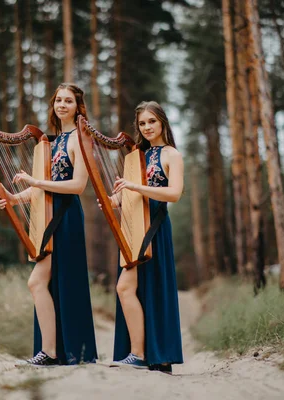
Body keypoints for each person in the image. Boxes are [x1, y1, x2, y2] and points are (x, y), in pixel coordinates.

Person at [0, 83, 97, 366]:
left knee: (42, 281)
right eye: (58, 100)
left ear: (78, 107)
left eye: (69, 101)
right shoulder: (52, 142)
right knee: (44, 283)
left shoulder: (81, 138)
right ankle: (54, 351)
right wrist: (15, 199)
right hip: (50, 213)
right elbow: (42, 188)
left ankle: (53, 351)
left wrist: (35, 181)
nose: (62, 105)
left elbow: (77, 186)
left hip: (67, 216)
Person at [104, 101, 184, 374]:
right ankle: (141, 353)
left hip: (156, 228)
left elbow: (173, 194)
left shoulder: (171, 154)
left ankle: (146, 354)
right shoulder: (137, 156)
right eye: (142, 123)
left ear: (162, 121)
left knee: (144, 289)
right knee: (129, 289)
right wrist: (112, 200)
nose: (147, 127)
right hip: (134, 229)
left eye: (152, 121)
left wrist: (136, 187)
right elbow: (128, 196)